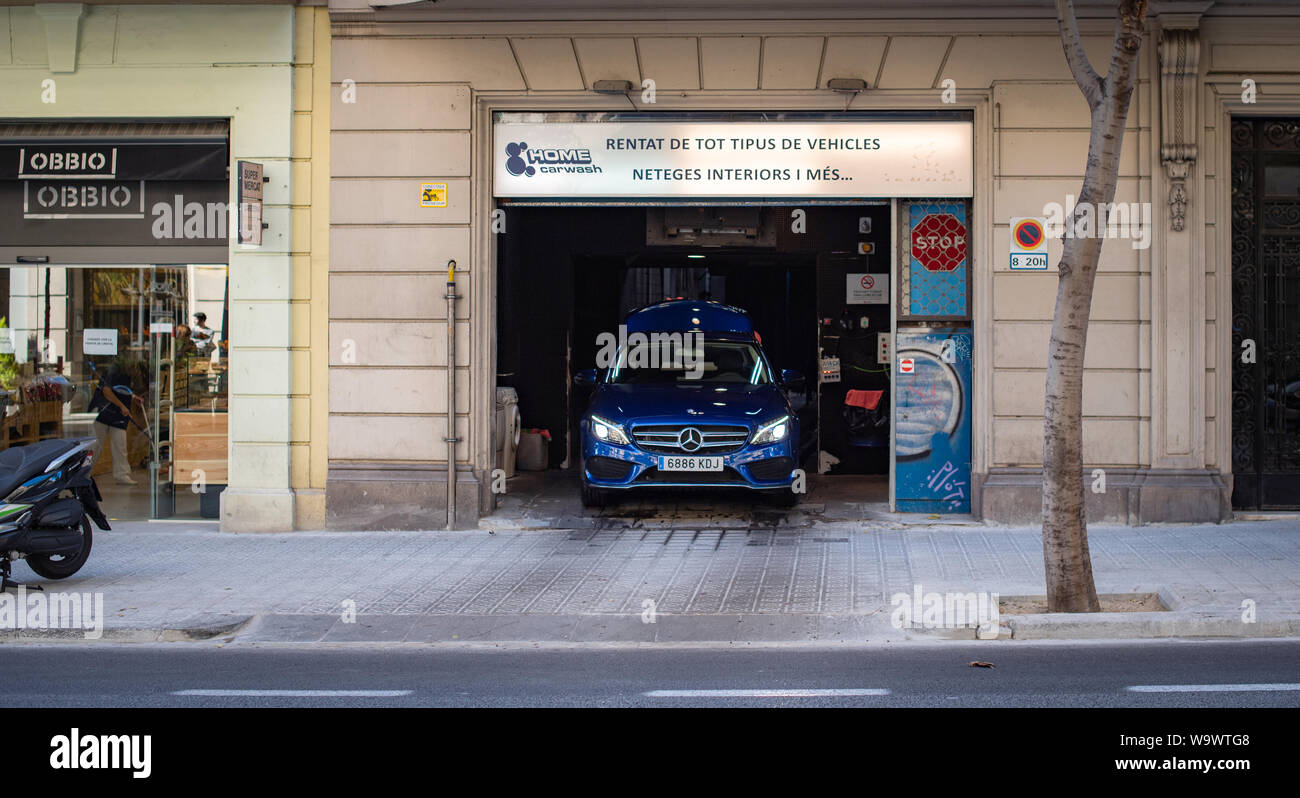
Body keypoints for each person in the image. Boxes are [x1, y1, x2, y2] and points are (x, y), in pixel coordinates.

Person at [91, 368, 142, 485]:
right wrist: (122, 406)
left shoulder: (128, 375)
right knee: (95, 447)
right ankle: (84, 473)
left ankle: (122, 475)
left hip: (119, 416)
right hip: (103, 413)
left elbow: (123, 390)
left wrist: (134, 398)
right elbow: (106, 391)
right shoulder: (112, 371)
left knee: (120, 446)